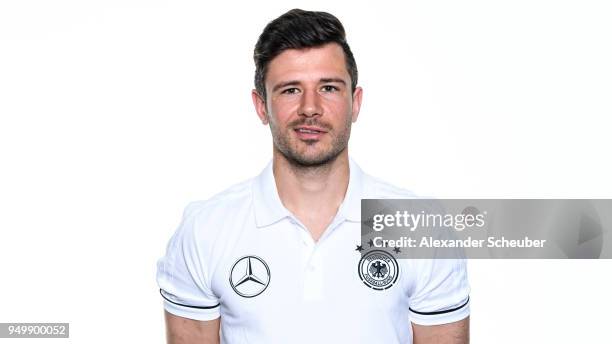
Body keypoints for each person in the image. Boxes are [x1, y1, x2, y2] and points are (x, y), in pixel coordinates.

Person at [156, 8, 470, 344]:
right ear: (262, 106)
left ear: (355, 102)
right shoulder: (206, 231)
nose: (310, 108)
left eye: (329, 88)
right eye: (290, 90)